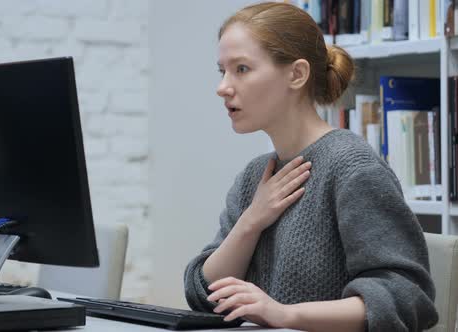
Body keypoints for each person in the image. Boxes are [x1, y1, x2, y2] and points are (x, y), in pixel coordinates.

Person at [183, 3, 438, 332]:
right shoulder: (254, 177)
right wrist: (251, 221)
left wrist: (286, 315)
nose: (223, 87)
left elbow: (406, 296)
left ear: (297, 74)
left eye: (242, 69)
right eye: (223, 71)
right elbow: (203, 294)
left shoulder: (351, 165)